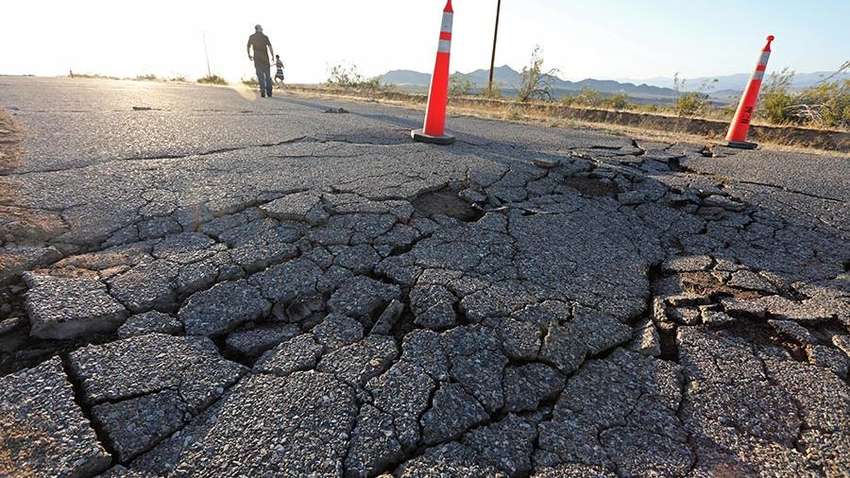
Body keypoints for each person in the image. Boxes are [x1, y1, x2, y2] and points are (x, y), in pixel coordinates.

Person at [247, 25, 274, 98]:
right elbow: (270, 46)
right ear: (258, 29)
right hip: (265, 58)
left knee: (260, 75)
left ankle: (262, 90)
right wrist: (272, 56)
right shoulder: (265, 37)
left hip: (257, 58)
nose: (262, 29)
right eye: (261, 28)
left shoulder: (252, 37)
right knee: (267, 75)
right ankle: (269, 92)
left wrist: (249, 55)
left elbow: (248, 46)